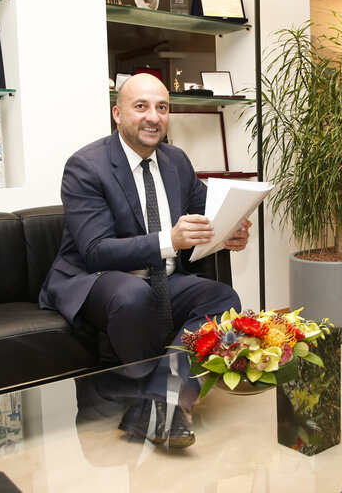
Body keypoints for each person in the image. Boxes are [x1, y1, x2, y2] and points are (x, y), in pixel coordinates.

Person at [39, 73, 252, 446]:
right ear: (117, 114)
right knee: (133, 295)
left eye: (162, 107)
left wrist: (230, 233)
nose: (153, 116)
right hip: (97, 277)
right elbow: (95, 251)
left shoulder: (177, 161)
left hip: (162, 276)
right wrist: (169, 240)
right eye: (141, 106)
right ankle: (166, 405)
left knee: (223, 299)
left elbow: (210, 216)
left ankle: (159, 401)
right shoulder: (86, 166)